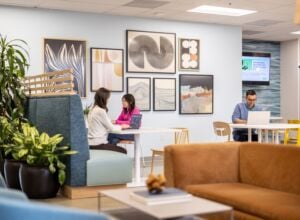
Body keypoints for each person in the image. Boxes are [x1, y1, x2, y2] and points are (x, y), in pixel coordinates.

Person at [88, 88, 129, 154]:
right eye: (108, 98)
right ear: (103, 99)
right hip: (98, 144)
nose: (108, 101)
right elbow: (112, 128)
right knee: (123, 151)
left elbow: (104, 125)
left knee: (113, 141)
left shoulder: (92, 110)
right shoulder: (100, 111)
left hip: (91, 144)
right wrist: (122, 126)